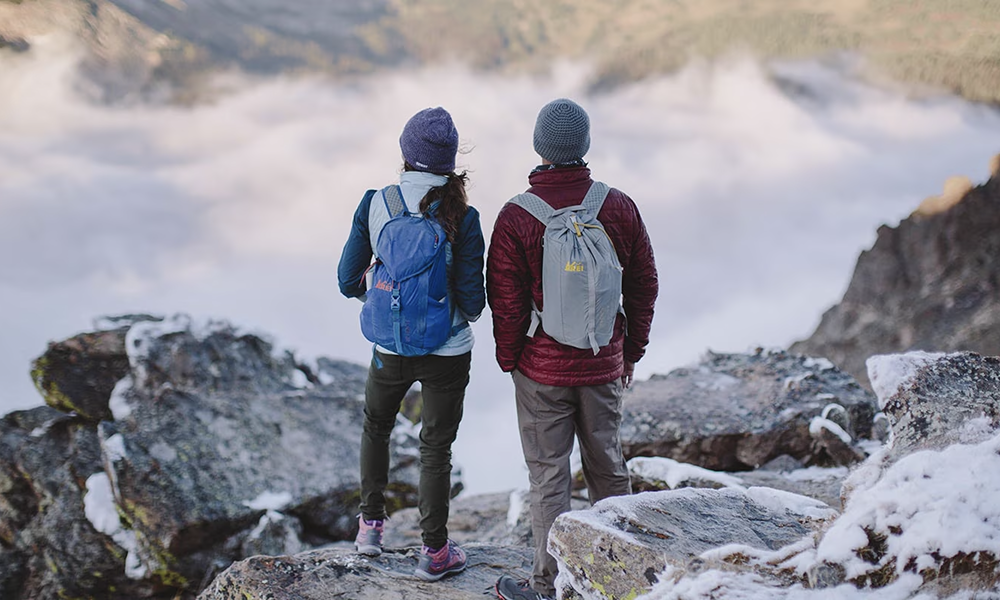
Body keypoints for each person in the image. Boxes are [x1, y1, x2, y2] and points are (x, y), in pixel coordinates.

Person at [487, 98, 658, 600]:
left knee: (548, 479)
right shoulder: (617, 206)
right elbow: (644, 282)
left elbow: (506, 297)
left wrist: (510, 357)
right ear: (583, 146)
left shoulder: (517, 216)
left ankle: (548, 586)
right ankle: (622, 580)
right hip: (603, 363)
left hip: (541, 369)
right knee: (608, 470)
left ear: (540, 147)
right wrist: (631, 351)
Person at [337, 106, 485, 581]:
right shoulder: (464, 214)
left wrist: (382, 293)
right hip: (448, 352)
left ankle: (369, 532)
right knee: (435, 448)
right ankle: (435, 553)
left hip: (390, 346)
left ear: (405, 154)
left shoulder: (375, 203)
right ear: (448, 162)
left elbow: (346, 280)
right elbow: (473, 301)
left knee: (375, 427)